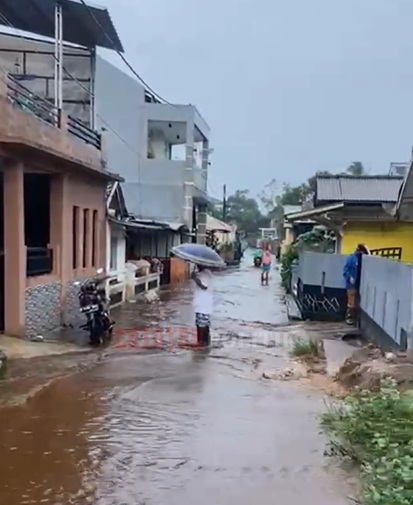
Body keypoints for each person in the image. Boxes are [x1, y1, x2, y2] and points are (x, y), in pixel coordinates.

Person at [343, 243, 370, 325]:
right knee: (351, 302)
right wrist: (350, 277)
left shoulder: (362, 260)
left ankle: (354, 318)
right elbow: (345, 270)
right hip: (351, 284)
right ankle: (350, 317)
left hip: (360, 284)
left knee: (357, 302)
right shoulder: (352, 259)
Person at [191, 264, 213, 348]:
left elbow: (204, 286)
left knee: (201, 324)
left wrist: (195, 278)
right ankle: (204, 342)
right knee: (202, 324)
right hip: (202, 304)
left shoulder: (206, 274)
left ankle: (202, 342)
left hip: (203, 304)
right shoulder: (203, 273)